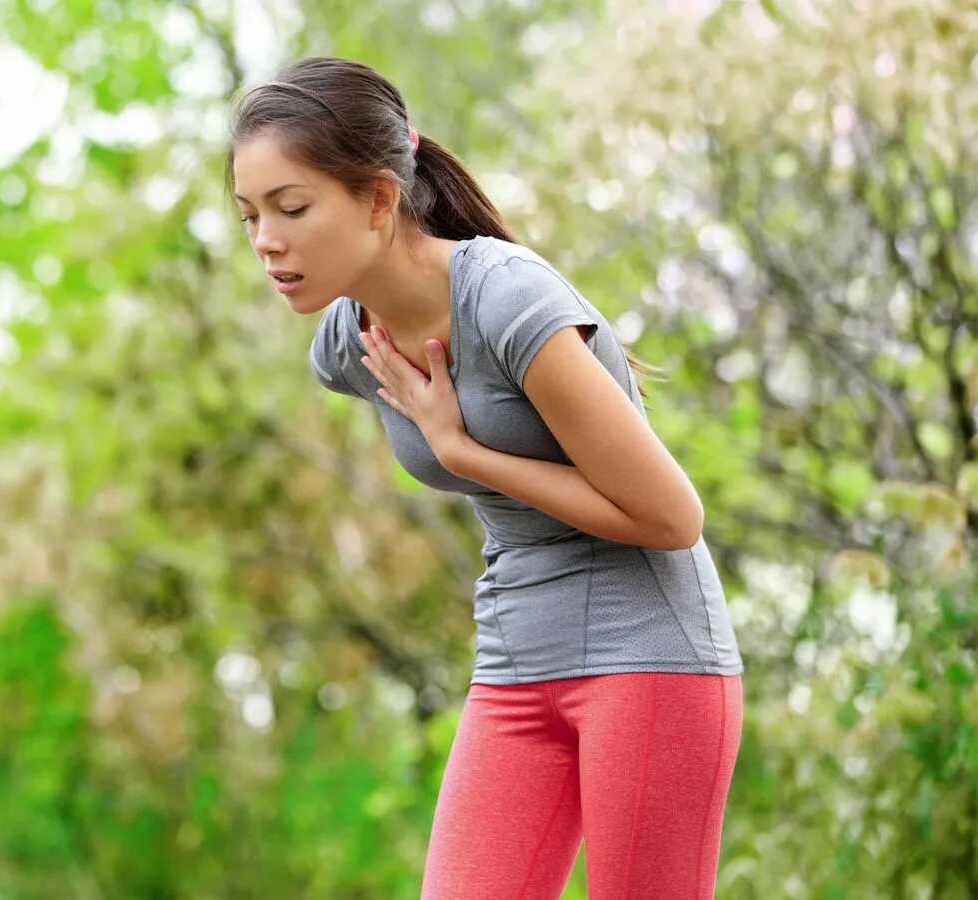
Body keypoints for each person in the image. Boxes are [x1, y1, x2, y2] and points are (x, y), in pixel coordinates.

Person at [225, 55, 744, 900]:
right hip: (513, 663)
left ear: (381, 198)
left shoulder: (505, 301)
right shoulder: (344, 346)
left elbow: (670, 517)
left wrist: (466, 454)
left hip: (648, 656)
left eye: (291, 208)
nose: (266, 241)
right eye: (249, 215)